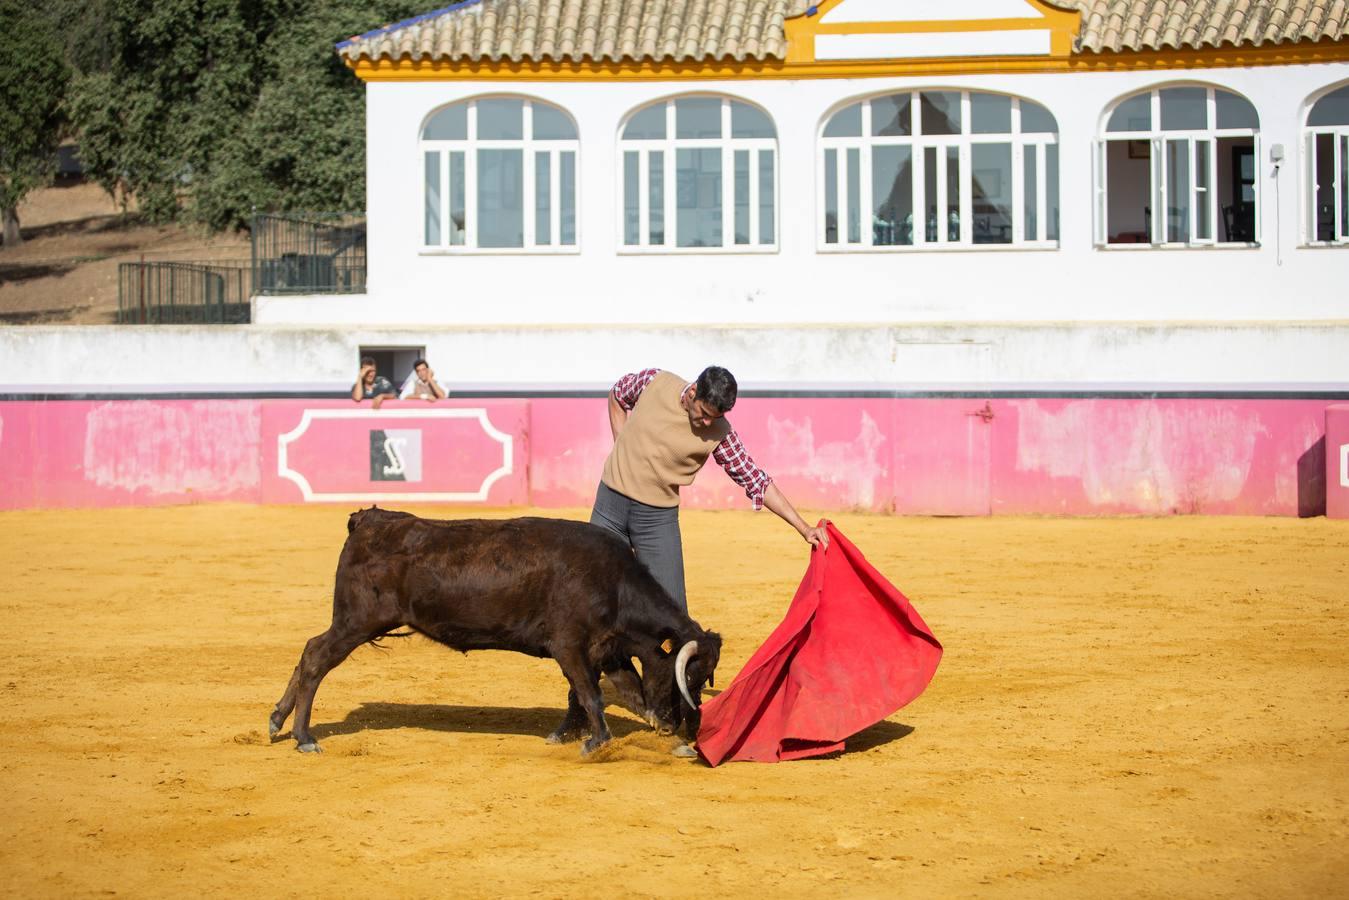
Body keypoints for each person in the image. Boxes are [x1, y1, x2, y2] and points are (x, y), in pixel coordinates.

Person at [592, 365, 826, 756]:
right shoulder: (655, 382)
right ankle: (581, 713)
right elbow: (618, 393)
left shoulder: (719, 433)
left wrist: (803, 528)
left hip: (656, 519)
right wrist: (620, 443)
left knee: (674, 621)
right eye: (702, 412)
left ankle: (680, 718)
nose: (704, 422)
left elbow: (754, 478)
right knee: (591, 608)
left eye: (713, 418)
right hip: (610, 507)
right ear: (693, 391)